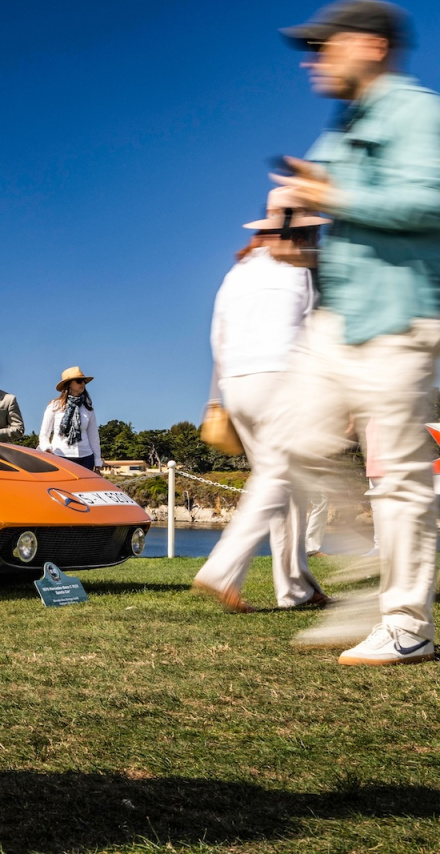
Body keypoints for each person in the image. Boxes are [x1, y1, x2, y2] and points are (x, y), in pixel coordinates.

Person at [273, 0, 440, 664]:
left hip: (401, 317)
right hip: (337, 320)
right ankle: (371, 581)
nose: (311, 60)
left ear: (371, 45)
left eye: (324, 45)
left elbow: (430, 200)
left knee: (398, 476)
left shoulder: (418, 113)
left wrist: (332, 198)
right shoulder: (344, 127)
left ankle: (406, 624)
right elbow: (323, 210)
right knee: (293, 440)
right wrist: (298, 241)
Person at [192, 188, 330, 613]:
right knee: (277, 478)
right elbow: (316, 332)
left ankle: (296, 588)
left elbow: (218, 335)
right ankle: (222, 570)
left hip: (237, 385)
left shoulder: (239, 271)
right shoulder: (302, 267)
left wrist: (222, 391)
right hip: (281, 380)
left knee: (286, 487)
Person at [38, 367, 103, 471]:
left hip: (86, 458)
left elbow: (93, 436)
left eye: (84, 381)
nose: (83, 384)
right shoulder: (54, 406)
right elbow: (44, 434)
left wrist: (97, 461)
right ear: (69, 384)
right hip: (60, 456)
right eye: (79, 381)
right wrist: (47, 448)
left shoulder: (88, 408)